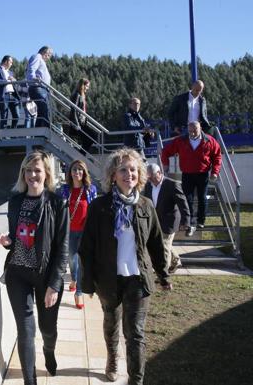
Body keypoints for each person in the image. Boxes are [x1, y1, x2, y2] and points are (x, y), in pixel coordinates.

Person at [78, 148, 171, 385]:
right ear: (113, 175)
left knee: (136, 334)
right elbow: (86, 248)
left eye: (133, 169)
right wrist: (87, 283)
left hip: (138, 280)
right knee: (112, 323)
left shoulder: (146, 205)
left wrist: (163, 274)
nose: (128, 173)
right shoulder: (100, 207)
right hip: (108, 280)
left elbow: (157, 244)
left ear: (139, 174)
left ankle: (136, 380)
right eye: (123, 169)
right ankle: (112, 359)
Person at [0, 150, 68, 384]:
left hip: (45, 276)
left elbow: (62, 248)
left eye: (37, 170)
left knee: (48, 329)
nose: (32, 175)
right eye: (28, 170)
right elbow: (19, 237)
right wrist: (8, 241)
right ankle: (30, 381)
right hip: (18, 273)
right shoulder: (15, 201)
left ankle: (49, 350)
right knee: (25, 331)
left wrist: (55, 285)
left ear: (46, 173)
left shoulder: (58, 203)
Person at [160, 121, 222, 236]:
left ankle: (201, 221)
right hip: (187, 174)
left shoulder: (209, 140)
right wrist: (166, 164)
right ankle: (190, 223)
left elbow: (217, 156)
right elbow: (166, 151)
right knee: (187, 199)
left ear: (200, 129)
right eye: (190, 131)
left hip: (202, 174)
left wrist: (215, 172)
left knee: (202, 198)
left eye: (195, 130)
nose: (192, 133)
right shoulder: (181, 140)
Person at [57, 159, 97, 309]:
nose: (77, 172)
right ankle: (73, 279)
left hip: (85, 232)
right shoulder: (64, 190)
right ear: (70, 172)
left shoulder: (90, 189)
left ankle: (78, 292)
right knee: (71, 260)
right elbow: (59, 211)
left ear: (84, 172)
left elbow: (94, 210)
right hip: (68, 231)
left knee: (80, 262)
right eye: (74, 169)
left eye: (80, 169)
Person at [144, 163, 191, 273]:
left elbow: (183, 203)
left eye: (152, 176)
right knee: (165, 243)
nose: (150, 179)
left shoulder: (172, 184)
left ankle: (163, 274)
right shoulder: (148, 185)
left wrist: (186, 221)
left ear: (159, 173)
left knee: (164, 246)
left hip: (170, 221)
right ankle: (176, 261)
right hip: (155, 220)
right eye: (148, 177)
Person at [26, 46, 53, 128]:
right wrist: (32, 78)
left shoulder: (41, 60)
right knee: (44, 109)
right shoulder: (37, 56)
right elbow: (31, 68)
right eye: (49, 56)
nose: (48, 58)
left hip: (43, 89)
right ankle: (44, 130)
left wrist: (48, 88)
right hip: (37, 88)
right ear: (45, 53)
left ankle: (40, 131)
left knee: (43, 111)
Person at [0, 55, 19, 129]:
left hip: (13, 95)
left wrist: (14, 80)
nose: (11, 64)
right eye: (11, 62)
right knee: (4, 116)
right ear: (6, 61)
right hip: (4, 95)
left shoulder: (10, 72)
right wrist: (7, 81)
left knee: (17, 115)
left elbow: (12, 83)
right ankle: (3, 135)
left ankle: (12, 133)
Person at [68, 78, 94, 153]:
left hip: (82, 122)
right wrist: (76, 124)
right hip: (78, 123)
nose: (88, 88)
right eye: (87, 86)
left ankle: (81, 153)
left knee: (90, 138)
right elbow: (74, 110)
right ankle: (81, 153)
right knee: (91, 137)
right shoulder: (77, 95)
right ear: (82, 85)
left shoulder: (81, 95)